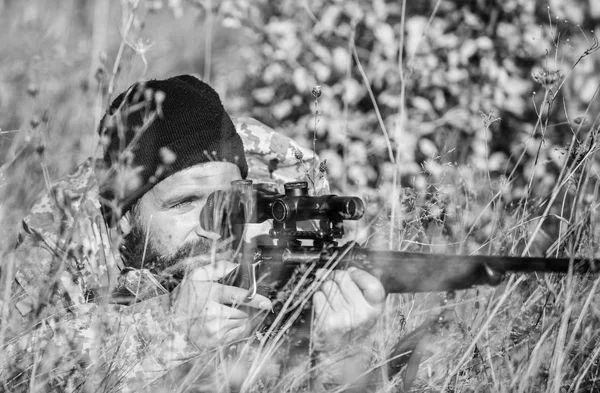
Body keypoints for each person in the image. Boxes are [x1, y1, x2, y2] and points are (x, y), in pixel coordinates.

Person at [7, 75, 386, 391]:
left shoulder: (271, 214)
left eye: (229, 198)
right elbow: (16, 368)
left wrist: (339, 356)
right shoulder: (68, 231)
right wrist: (169, 328)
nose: (214, 226)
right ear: (123, 219)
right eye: (184, 203)